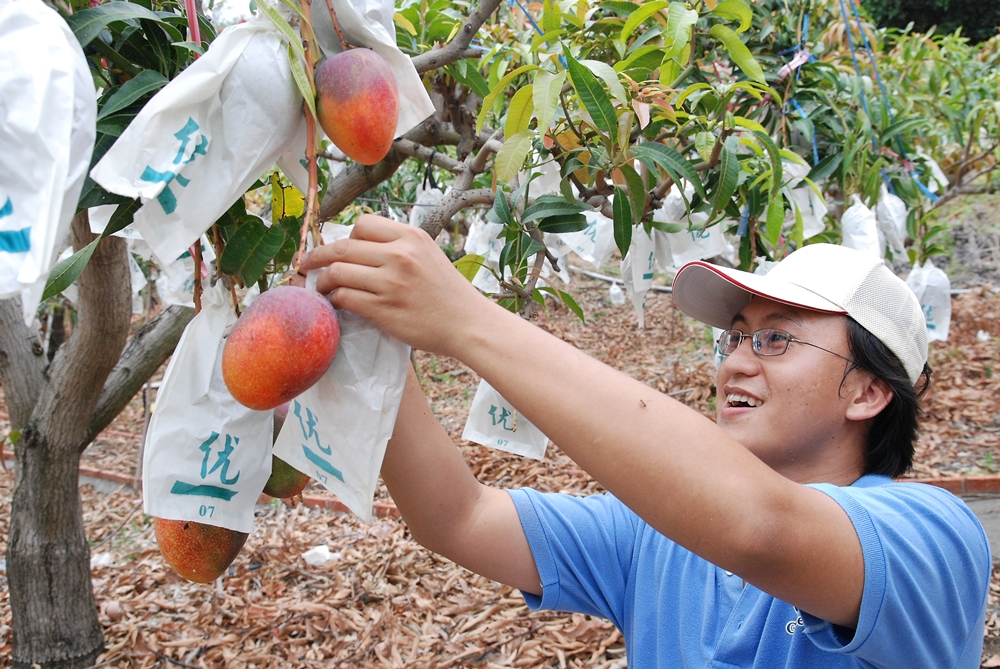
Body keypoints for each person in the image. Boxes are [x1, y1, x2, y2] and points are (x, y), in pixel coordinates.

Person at [301, 215, 991, 668]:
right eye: (736, 337)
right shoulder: (658, 534)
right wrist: (366, 335)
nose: (736, 362)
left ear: (868, 391)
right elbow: (458, 516)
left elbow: (763, 527)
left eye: (777, 338)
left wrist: (466, 321)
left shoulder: (931, 538)